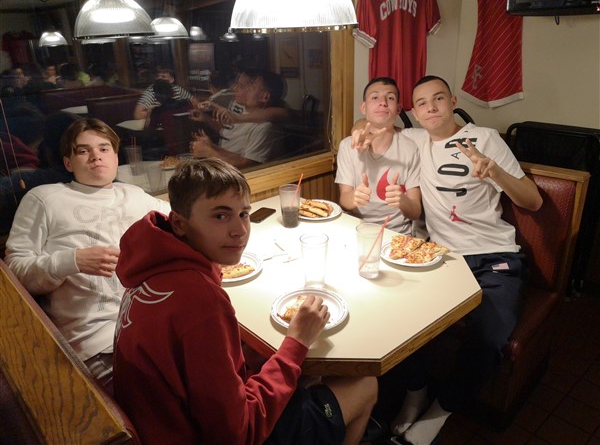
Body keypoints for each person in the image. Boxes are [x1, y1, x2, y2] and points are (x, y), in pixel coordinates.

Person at [113, 157, 378, 444]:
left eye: (243, 214)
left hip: (162, 423)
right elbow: (239, 434)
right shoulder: (200, 301)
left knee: (283, 366)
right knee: (364, 384)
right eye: (220, 216)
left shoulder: (152, 263)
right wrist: (297, 341)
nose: (239, 230)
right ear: (178, 223)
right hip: (204, 436)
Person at [354, 76, 543, 445]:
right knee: (405, 317)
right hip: (440, 257)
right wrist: (360, 129)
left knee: (489, 335)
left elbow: (533, 202)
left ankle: (440, 411)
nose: (431, 108)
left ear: (453, 101)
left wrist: (496, 172)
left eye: (439, 99)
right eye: (422, 103)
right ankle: (415, 393)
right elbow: (370, 124)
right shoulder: (414, 140)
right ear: (413, 112)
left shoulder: (485, 138)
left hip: (494, 255)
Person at [4, 118, 170, 391]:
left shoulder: (135, 195)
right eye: (83, 151)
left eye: (104, 149)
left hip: (154, 326)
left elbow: (183, 223)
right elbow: (14, 274)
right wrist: (73, 261)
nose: (96, 156)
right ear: (68, 163)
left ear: (115, 157)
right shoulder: (44, 198)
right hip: (98, 342)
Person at [336, 77, 422, 235]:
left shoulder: (410, 148)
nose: (383, 102)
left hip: (398, 234)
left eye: (390, 98)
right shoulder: (347, 146)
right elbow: (344, 200)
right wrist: (354, 198)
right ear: (363, 107)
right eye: (375, 97)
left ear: (398, 109)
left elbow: (415, 211)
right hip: (357, 230)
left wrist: (403, 201)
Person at [189, 69, 287, 169]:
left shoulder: (265, 127)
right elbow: (235, 152)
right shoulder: (243, 110)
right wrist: (212, 147)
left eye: (252, 87)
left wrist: (210, 153)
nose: (235, 88)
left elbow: (247, 166)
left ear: (264, 97)